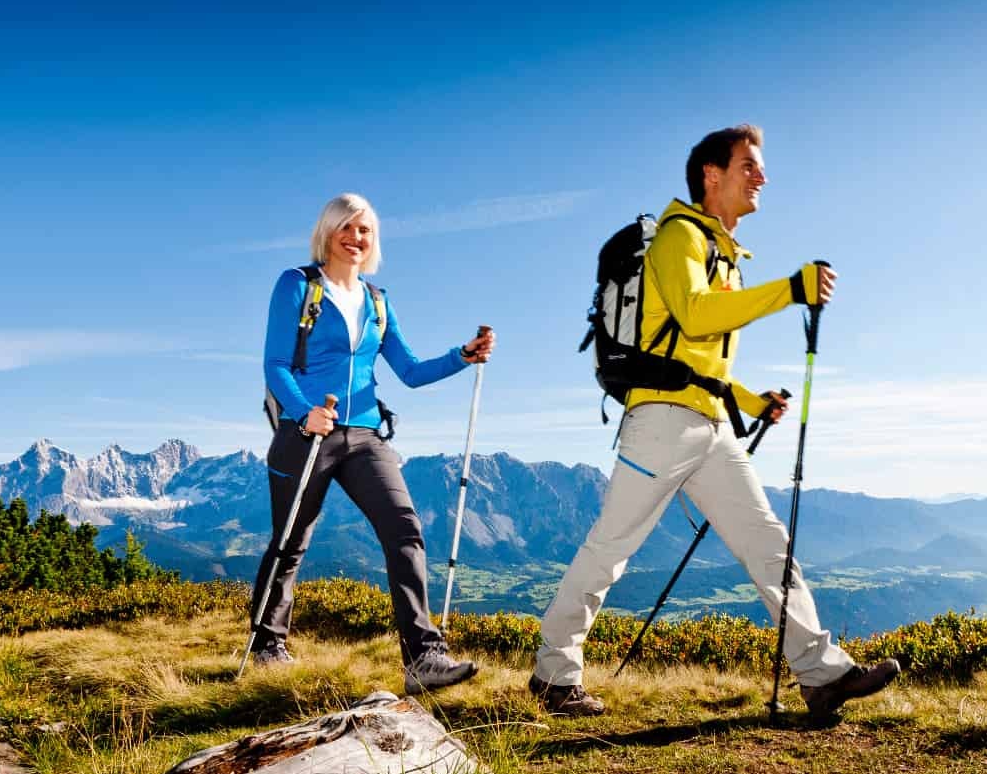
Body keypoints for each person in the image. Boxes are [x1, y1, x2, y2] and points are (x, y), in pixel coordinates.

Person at [530, 125, 899, 720]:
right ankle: (554, 672)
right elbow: (697, 317)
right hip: (661, 420)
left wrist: (752, 403)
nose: (762, 177)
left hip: (707, 424)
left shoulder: (722, 251)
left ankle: (821, 672)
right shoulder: (680, 236)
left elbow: (699, 361)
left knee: (766, 543)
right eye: (749, 165)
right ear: (712, 174)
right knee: (610, 550)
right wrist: (790, 291)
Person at [249, 192, 494, 694]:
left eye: (365, 230)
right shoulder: (297, 285)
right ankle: (268, 645)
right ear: (328, 231)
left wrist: (462, 356)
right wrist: (305, 413)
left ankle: (424, 659)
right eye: (347, 227)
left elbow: (409, 371)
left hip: (364, 434)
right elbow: (275, 364)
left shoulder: (378, 300)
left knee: (404, 530)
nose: (355, 237)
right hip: (305, 434)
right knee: (290, 544)